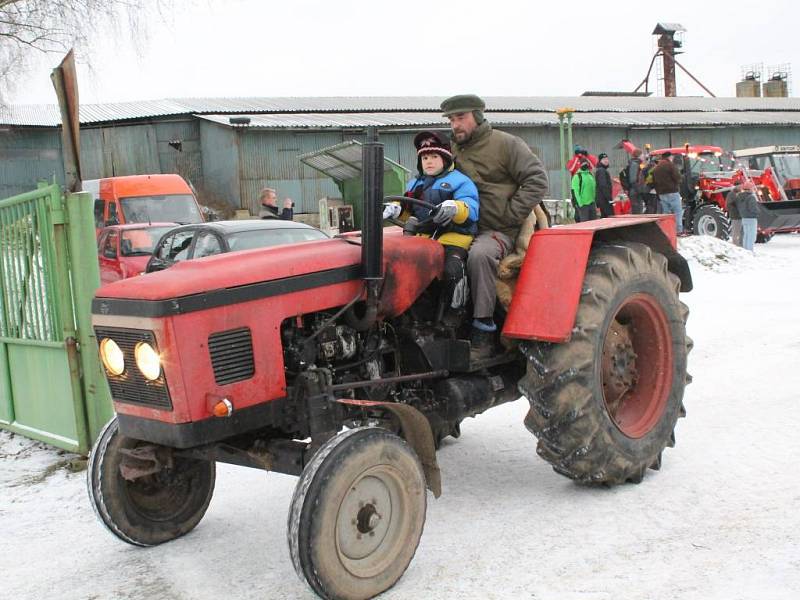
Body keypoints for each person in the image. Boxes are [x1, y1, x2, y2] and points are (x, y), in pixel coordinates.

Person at [440, 94, 549, 359]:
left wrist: (511, 214)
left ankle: (483, 332)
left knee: (479, 255)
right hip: (458, 226)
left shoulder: (505, 144)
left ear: (477, 116)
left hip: (497, 230)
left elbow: (537, 179)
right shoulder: (448, 150)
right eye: (452, 120)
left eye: (461, 118)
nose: (456, 125)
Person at [383, 131, 479, 320]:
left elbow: (471, 207)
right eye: (425, 157)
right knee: (401, 266)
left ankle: (456, 311)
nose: (429, 161)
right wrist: (395, 208)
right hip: (424, 239)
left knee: (451, 269)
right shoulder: (415, 184)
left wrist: (456, 207)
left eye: (434, 157)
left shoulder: (460, 181)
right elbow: (407, 207)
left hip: (454, 237)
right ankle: (413, 313)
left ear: (445, 158)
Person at [653, 151, 683, 232]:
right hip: (672, 192)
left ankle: (668, 231)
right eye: (672, 157)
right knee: (677, 213)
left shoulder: (656, 168)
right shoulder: (671, 165)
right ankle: (678, 232)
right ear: (669, 157)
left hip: (662, 194)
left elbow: (654, 182)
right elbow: (677, 178)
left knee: (666, 214)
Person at [731, 182, 759, 251]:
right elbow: (753, 208)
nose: (753, 189)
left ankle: (746, 250)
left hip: (744, 218)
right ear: (750, 189)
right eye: (752, 188)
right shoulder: (751, 197)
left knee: (746, 235)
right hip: (751, 218)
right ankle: (750, 251)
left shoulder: (739, 196)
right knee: (751, 236)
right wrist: (758, 211)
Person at [626, 148, 646, 214]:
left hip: (635, 191)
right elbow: (633, 180)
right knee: (637, 212)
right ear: (639, 155)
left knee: (638, 210)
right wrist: (639, 189)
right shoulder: (634, 164)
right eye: (642, 154)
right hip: (635, 192)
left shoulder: (637, 164)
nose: (644, 156)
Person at [594, 152, 614, 217]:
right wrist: (609, 198)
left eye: (607, 159)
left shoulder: (602, 170)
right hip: (604, 200)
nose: (606, 160)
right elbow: (603, 185)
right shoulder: (601, 171)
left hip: (603, 199)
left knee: (605, 217)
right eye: (603, 159)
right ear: (600, 161)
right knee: (610, 217)